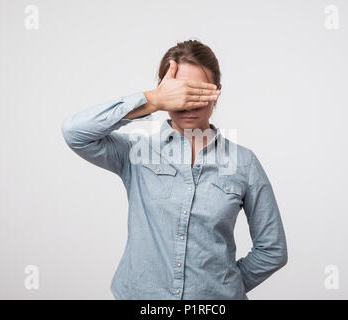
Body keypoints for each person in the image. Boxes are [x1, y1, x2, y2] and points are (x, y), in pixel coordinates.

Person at [61, 39, 288, 300]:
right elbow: (74, 133)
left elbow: (272, 250)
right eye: (179, 93)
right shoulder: (136, 153)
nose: (188, 104)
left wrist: (222, 288)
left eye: (198, 92)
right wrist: (152, 100)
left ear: (217, 91)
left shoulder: (244, 163)